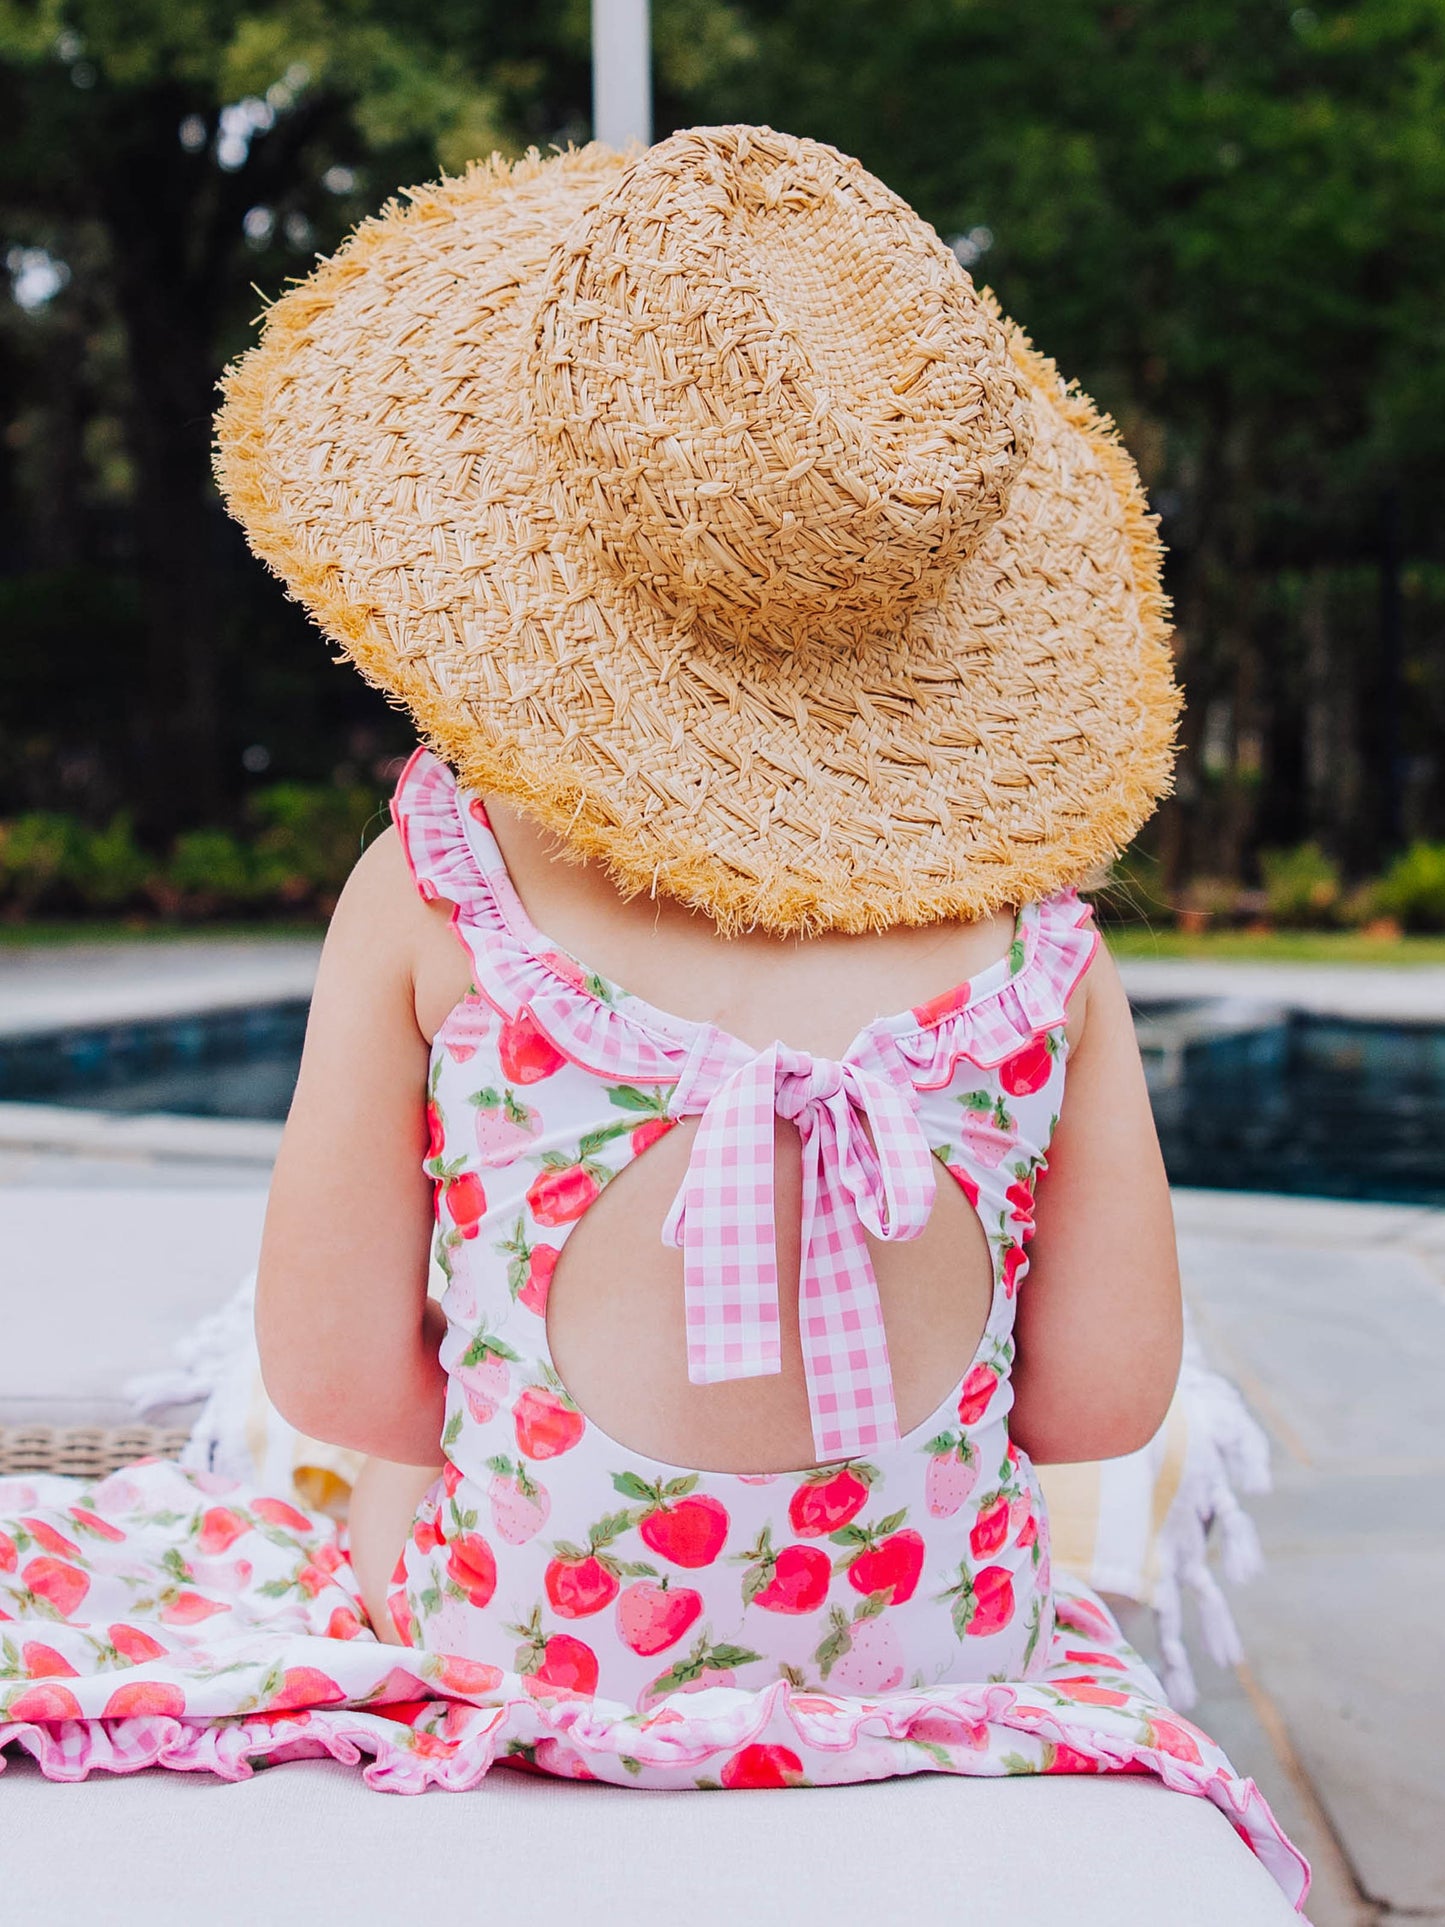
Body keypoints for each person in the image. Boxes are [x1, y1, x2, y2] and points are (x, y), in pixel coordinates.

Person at [0, 125, 1305, 1906]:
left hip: (536, 1647)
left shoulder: (442, 892)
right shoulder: (1036, 953)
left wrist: (419, 1495)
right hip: (941, 1666)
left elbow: (328, 1373)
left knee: (352, 1509)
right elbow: (1095, 1405)